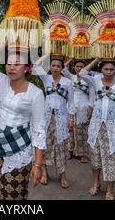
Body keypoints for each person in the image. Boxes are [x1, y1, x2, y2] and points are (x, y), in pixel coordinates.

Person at [0, 44, 46, 200]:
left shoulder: (35, 93)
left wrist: (38, 165)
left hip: (18, 153)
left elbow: (39, 129)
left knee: (13, 195)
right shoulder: (1, 81)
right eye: (8, 63)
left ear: (27, 68)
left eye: (17, 64)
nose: (11, 68)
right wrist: (6, 43)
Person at [79, 58, 115, 200]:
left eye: (112, 69)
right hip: (97, 126)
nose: (109, 72)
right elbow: (82, 73)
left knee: (112, 158)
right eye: (106, 69)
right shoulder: (96, 80)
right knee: (95, 157)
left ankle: (110, 189)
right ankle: (96, 183)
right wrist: (98, 59)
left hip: (113, 127)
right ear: (101, 70)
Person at [33, 54, 74, 189]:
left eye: (58, 66)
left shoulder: (68, 82)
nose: (55, 68)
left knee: (60, 146)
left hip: (61, 118)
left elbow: (71, 102)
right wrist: (47, 54)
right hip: (46, 117)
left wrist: (71, 118)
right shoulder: (46, 78)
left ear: (62, 68)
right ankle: (44, 172)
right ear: (50, 67)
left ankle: (62, 175)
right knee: (45, 144)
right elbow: (36, 66)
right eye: (53, 65)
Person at [62, 59, 93, 163]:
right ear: (74, 68)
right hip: (70, 106)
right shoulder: (71, 77)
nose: (79, 68)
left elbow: (92, 95)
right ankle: (70, 150)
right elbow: (62, 67)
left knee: (83, 130)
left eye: (82, 67)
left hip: (83, 106)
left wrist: (90, 107)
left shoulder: (89, 79)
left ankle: (83, 153)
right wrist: (71, 58)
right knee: (69, 129)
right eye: (77, 66)